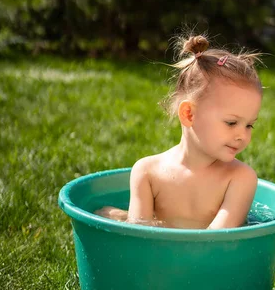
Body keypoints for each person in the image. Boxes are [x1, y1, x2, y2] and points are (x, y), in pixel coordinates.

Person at [96, 34, 263, 229]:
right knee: (109, 215)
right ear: (189, 114)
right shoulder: (147, 172)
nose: (242, 135)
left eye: (249, 125)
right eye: (231, 122)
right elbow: (139, 238)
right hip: (164, 252)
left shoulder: (240, 178)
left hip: (210, 258)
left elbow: (215, 242)